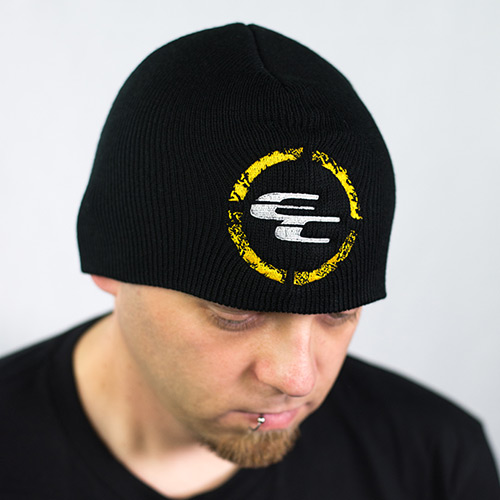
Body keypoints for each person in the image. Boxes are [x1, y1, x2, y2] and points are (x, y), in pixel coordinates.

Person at [1, 23, 499, 500]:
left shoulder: (436, 462)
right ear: (108, 265)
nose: (297, 379)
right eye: (236, 312)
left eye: (339, 311)